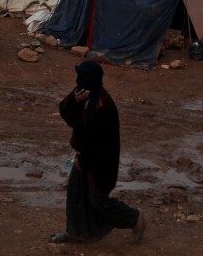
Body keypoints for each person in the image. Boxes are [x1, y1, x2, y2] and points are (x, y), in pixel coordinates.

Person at [51, 61, 145, 244]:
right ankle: (75, 232)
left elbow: (102, 143)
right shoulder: (82, 94)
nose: (78, 81)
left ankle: (133, 218)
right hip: (84, 156)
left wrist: (85, 162)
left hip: (100, 162)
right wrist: (74, 102)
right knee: (75, 193)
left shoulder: (103, 106)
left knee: (97, 201)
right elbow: (68, 115)